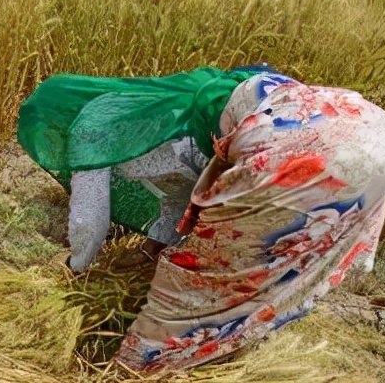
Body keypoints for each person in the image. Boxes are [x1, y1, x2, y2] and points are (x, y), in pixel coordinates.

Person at [116, 72, 385, 371]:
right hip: (381, 140)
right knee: (303, 260)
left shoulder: (233, 124)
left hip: (306, 153)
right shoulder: (285, 96)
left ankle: (138, 365)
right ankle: (248, 336)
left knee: (206, 274)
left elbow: (207, 217)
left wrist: (164, 249)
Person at [17, 66, 262, 272]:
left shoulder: (89, 132)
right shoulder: (118, 103)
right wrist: (151, 248)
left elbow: (91, 209)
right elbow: (180, 187)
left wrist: (77, 265)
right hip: (232, 139)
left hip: (221, 146)